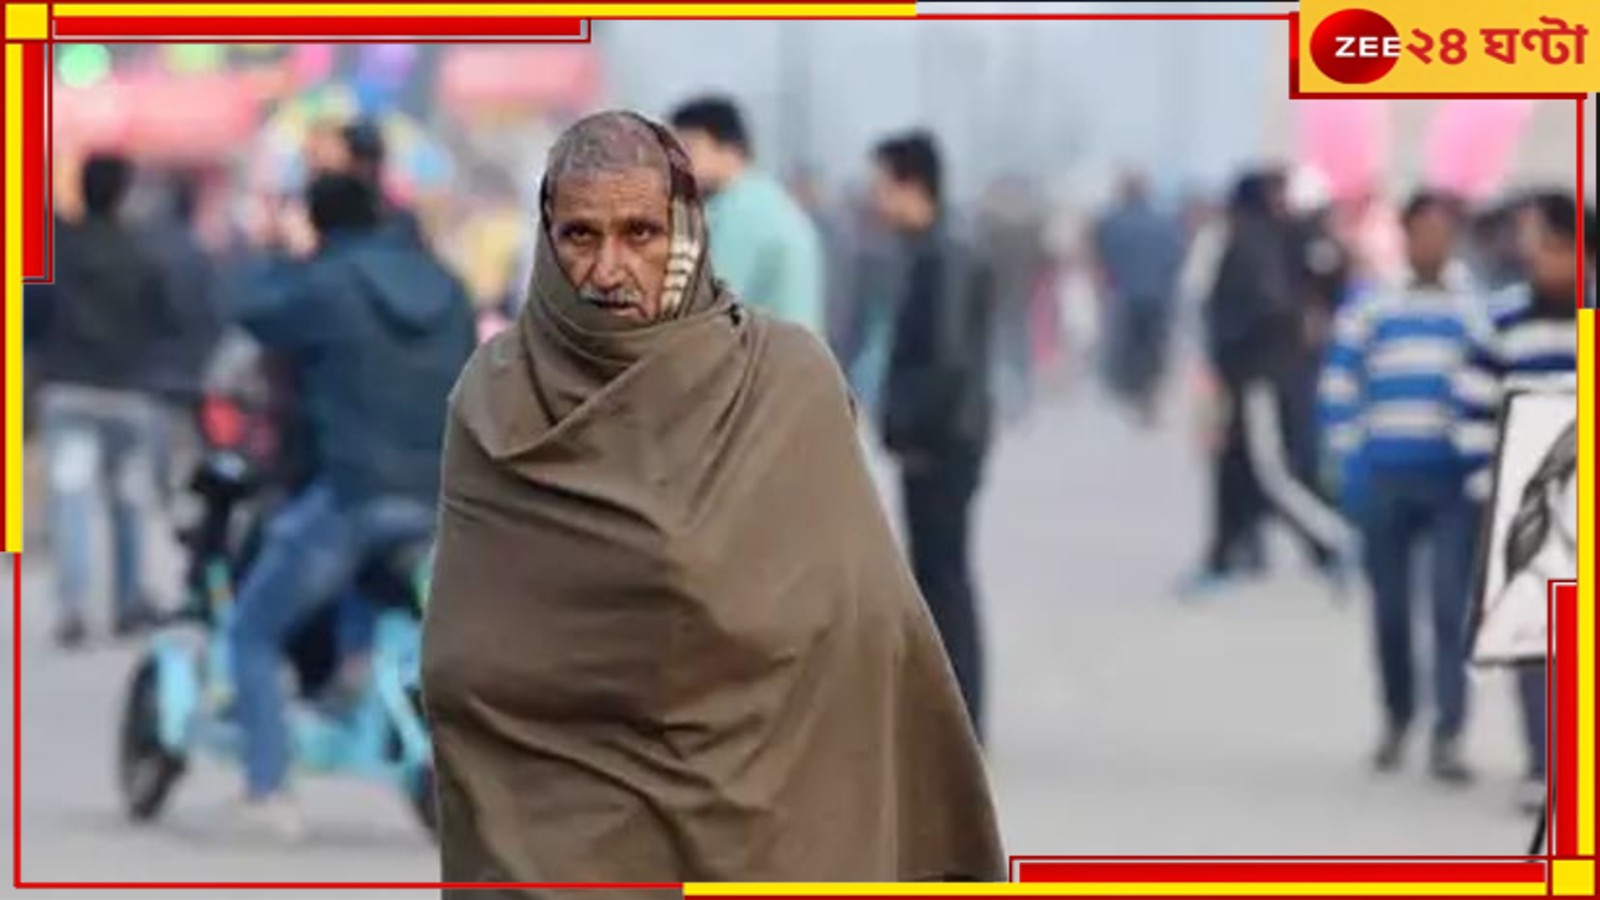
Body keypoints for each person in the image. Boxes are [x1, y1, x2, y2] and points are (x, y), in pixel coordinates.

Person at [421, 111, 1003, 889]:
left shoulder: (785, 384)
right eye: (580, 237)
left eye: (641, 233)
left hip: (761, 819)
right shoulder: (497, 399)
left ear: (689, 232)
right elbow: (466, 656)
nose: (609, 267)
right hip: (548, 828)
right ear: (547, 240)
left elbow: (865, 624)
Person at [225, 169, 476, 837]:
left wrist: (279, 250)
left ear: (321, 223)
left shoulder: (327, 285)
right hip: (440, 498)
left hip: (353, 492)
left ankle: (267, 787)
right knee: (386, 609)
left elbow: (252, 312)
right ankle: (354, 673)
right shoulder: (448, 288)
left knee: (250, 631)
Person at [1319, 191, 1479, 783]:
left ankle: (1449, 731)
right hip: (1384, 477)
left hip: (1451, 483)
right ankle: (1397, 716)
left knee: (1448, 608)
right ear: (1406, 238)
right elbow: (1340, 381)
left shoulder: (1475, 309)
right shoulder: (1372, 305)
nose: (1432, 243)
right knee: (1390, 611)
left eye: (1442, 231)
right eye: (1422, 232)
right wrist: (1345, 457)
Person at [1455, 190, 1586, 813]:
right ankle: (1545, 763)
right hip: (1526, 495)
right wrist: (1491, 490)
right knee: (1536, 640)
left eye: (1551, 245)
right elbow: (1474, 404)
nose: (1539, 258)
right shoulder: (1502, 318)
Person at [870, 130, 994, 740]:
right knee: (943, 574)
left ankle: (959, 716)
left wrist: (906, 425)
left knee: (942, 578)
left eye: (883, 186)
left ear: (911, 185)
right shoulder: (940, 249)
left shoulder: (943, 257)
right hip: (951, 436)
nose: (877, 200)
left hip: (942, 443)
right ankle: (957, 711)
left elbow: (945, 361)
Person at [29, 153, 178, 647]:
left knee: (71, 501)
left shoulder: (60, 251)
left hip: (68, 391)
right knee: (127, 501)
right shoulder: (143, 252)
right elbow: (165, 320)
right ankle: (129, 600)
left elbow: (32, 314)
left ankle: (73, 607)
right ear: (125, 191)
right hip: (129, 396)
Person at [1187, 170, 1356, 596]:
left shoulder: (1262, 240)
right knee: (1234, 468)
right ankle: (1226, 555)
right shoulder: (1254, 239)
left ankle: (1333, 542)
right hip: (1254, 372)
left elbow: (1261, 305)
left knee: (1273, 472)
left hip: (1261, 375)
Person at [669, 95, 826, 336]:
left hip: (767, 364)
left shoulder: (742, 212)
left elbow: (705, 310)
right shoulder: (766, 199)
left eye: (689, 148)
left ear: (729, 149)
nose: (678, 165)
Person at [1092, 168, 1186, 424]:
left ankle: (1135, 391)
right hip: (1158, 294)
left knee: (1129, 347)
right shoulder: (1165, 222)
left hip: (1125, 293)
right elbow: (1176, 256)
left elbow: (1101, 257)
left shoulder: (1112, 222)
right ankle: (1149, 392)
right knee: (1153, 347)